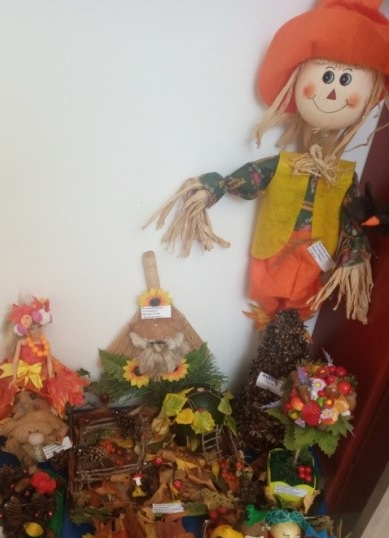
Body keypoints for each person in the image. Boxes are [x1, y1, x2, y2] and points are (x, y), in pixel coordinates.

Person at [146, 0, 389, 326]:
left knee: (302, 305)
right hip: (274, 251)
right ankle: (272, 336)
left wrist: (362, 239)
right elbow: (252, 177)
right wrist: (216, 187)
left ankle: (289, 340)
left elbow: (352, 220)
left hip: (317, 257)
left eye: (346, 81)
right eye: (328, 76)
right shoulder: (284, 164)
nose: (332, 92)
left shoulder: (345, 176)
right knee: (270, 306)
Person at [0, 296, 87, 424]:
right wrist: (14, 376)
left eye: (38, 327)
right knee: (11, 394)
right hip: (22, 370)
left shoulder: (44, 343)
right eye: (32, 328)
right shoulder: (22, 342)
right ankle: (20, 417)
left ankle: (45, 417)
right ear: (25, 329)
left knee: (47, 395)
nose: (36, 331)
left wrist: (51, 376)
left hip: (39, 371)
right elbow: (15, 360)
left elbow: (49, 361)